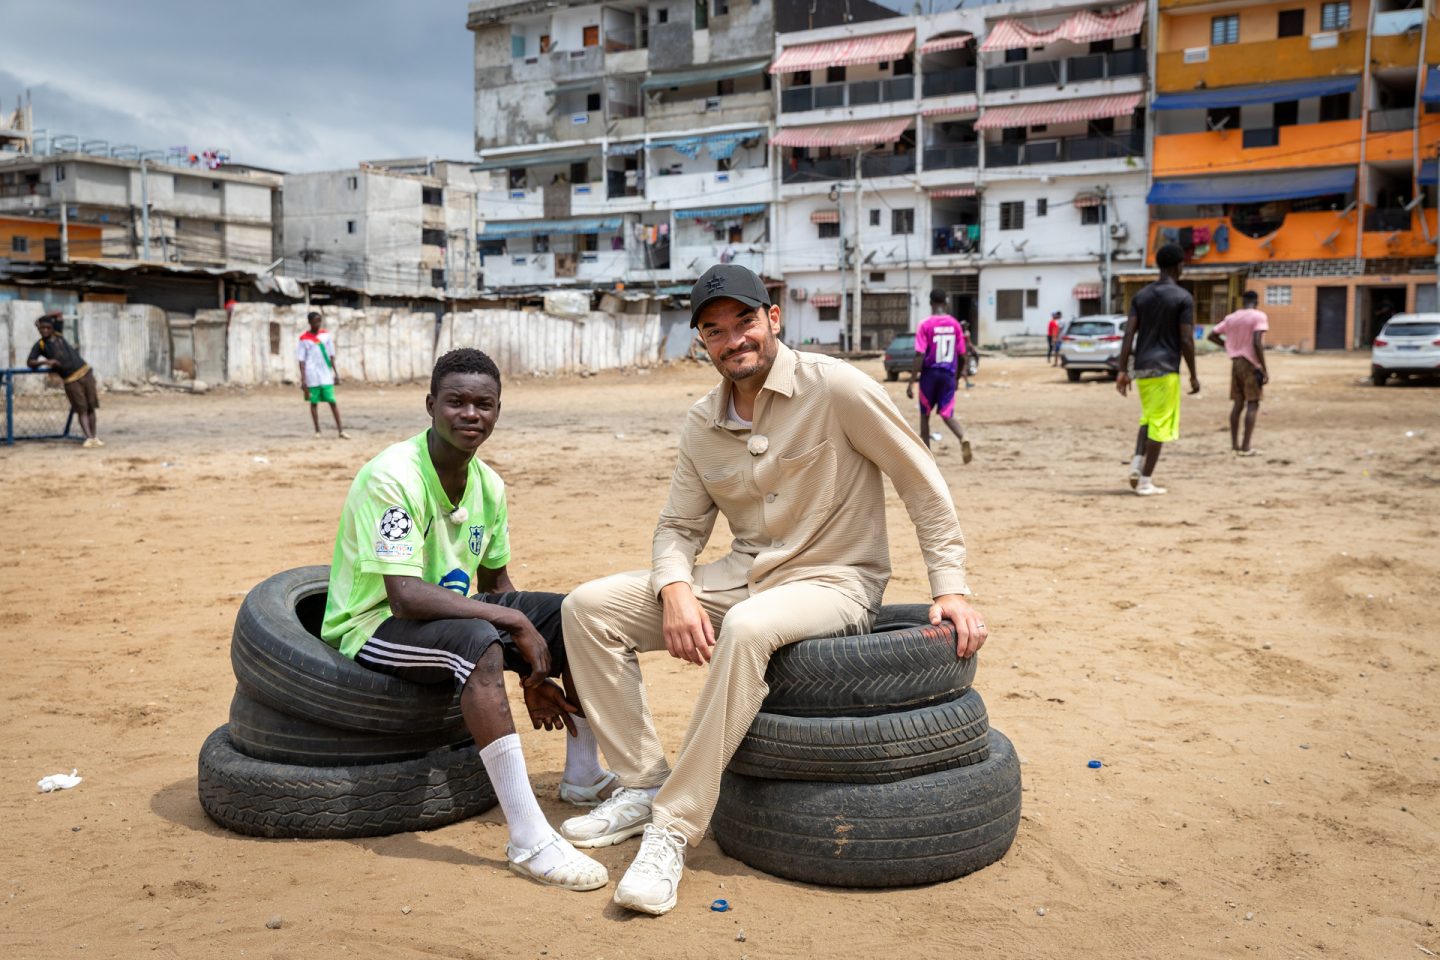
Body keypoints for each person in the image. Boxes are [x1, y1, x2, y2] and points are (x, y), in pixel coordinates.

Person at [558, 264, 987, 916]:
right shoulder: (702, 423)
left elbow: (920, 481)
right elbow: (677, 527)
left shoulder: (836, 386)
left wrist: (950, 588)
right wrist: (674, 588)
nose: (734, 341)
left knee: (749, 627)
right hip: (741, 576)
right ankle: (644, 784)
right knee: (587, 608)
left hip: (836, 580)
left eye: (744, 322)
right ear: (701, 342)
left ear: (773, 319)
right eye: (715, 330)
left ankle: (671, 830)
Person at [320, 348, 614, 891]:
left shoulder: (490, 486)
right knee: (480, 639)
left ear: (499, 411)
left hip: (440, 616)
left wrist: (534, 671)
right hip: (373, 624)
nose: (470, 414)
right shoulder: (392, 476)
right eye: (456, 402)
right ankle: (529, 839)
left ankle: (583, 773)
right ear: (431, 405)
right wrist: (511, 629)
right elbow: (405, 597)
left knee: (577, 613)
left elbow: (500, 587)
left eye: (484, 404)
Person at [1115, 243, 1199, 496]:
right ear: (1178, 266)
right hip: (1165, 369)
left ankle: (1137, 464)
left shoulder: (1141, 296)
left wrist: (1122, 369)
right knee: (1160, 425)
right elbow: (1186, 340)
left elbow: (1129, 333)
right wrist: (1193, 374)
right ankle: (1145, 481)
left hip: (1142, 368)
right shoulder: (1183, 298)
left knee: (1149, 418)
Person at [907, 289, 973, 463]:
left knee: (925, 415)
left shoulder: (925, 325)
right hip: (948, 374)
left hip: (930, 374)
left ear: (930, 303)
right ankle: (962, 436)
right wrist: (957, 377)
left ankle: (927, 459)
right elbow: (962, 355)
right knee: (946, 413)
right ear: (946, 303)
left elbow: (919, 354)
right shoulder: (955, 324)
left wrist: (911, 381)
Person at [27, 311, 102, 447]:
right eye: (41, 328)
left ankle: (95, 437)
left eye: (47, 327)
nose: (44, 330)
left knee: (91, 407)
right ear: (38, 329)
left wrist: (40, 318)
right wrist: (46, 362)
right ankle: (89, 438)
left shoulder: (58, 334)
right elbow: (30, 362)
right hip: (71, 380)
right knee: (82, 409)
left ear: (52, 328)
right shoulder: (41, 345)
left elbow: (59, 314)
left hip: (85, 373)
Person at [1208, 291, 1269, 456]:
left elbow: (1211, 335)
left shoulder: (1231, 318)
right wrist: (1263, 367)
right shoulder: (1258, 316)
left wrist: (1228, 346)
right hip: (1250, 363)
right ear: (1256, 301)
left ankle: (1234, 445)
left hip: (1235, 363)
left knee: (1238, 403)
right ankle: (1246, 446)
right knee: (1253, 403)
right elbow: (1257, 342)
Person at [297, 311, 349, 439]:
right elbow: (301, 360)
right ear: (309, 323)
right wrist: (303, 380)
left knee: (332, 401)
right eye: (315, 321)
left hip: (326, 374)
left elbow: (331, 355)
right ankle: (317, 431)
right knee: (314, 403)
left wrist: (336, 373)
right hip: (312, 375)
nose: (318, 324)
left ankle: (340, 430)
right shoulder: (304, 338)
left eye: (319, 321)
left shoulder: (325, 336)